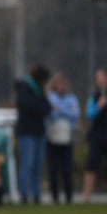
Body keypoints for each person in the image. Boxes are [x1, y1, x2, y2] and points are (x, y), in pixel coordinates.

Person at [15, 63, 52, 204]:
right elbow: (31, 106)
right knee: (27, 164)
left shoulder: (38, 89)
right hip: (26, 131)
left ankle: (36, 194)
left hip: (39, 131)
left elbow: (47, 107)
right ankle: (24, 194)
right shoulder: (24, 87)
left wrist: (41, 108)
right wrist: (41, 108)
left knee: (37, 165)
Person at [45, 73, 79, 204]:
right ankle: (55, 197)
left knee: (67, 168)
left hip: (67, 137)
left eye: (64, 84)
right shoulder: (50, 97)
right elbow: (51, 113)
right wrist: (65, 111)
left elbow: (74, 114)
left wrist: (59, 110)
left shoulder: (72, 98)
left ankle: (69, 196)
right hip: (52, 137)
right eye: (59, 84)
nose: (62, 87)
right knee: (53, 169)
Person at [81, 67, 107, 203]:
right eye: (98, 79)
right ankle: (86, 197)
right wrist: (99, 106)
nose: (100, 81)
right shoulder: (94, 96)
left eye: (103, 78)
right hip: (97, 135)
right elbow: (89, 114)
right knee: (91, 166)